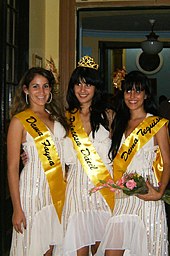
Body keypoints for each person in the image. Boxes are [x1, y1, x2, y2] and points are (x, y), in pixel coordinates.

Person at [97, 70, 170, 256]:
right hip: (123, 196)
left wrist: (159, 192)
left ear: (146, 94)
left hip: (146, 194)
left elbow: (168, 162)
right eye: (128, 91)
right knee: (112, 251)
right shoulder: (118, 123)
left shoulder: (157, 124)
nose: (133, 96)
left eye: (138, 91)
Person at [7, 67, 68, 256]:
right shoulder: (20, 121)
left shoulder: (57, 117)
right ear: (26, 90)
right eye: (35, 87)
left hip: (57, 190)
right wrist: (17, 209)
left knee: (51, 246)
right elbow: (12, 167)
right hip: (32, 192)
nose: (41, 92)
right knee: (34, 246)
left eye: (45, 86)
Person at [62, 56, 114, 256]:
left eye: (88, 85)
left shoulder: (109, 116)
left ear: (96, 88)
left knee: (103, 247)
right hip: (76, 188)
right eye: (78, 84)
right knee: (79, 247)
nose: (82, 90)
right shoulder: (65, 118)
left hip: (103, 188)